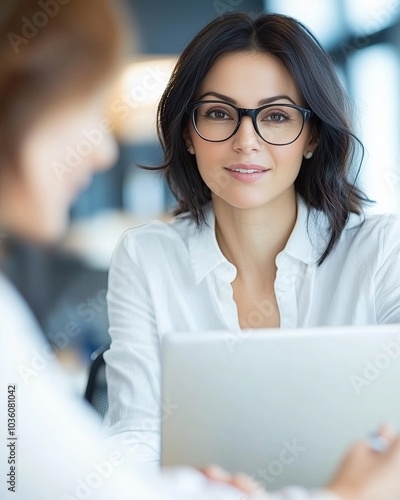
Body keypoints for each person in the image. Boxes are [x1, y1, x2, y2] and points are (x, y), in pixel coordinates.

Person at [1, 3, 400, 498]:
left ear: (313, 135)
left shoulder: (384, 250)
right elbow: (133, 434)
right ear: (188, 133)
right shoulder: (147, 256)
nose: (245, 141)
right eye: (218, 114)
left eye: (276, 117)